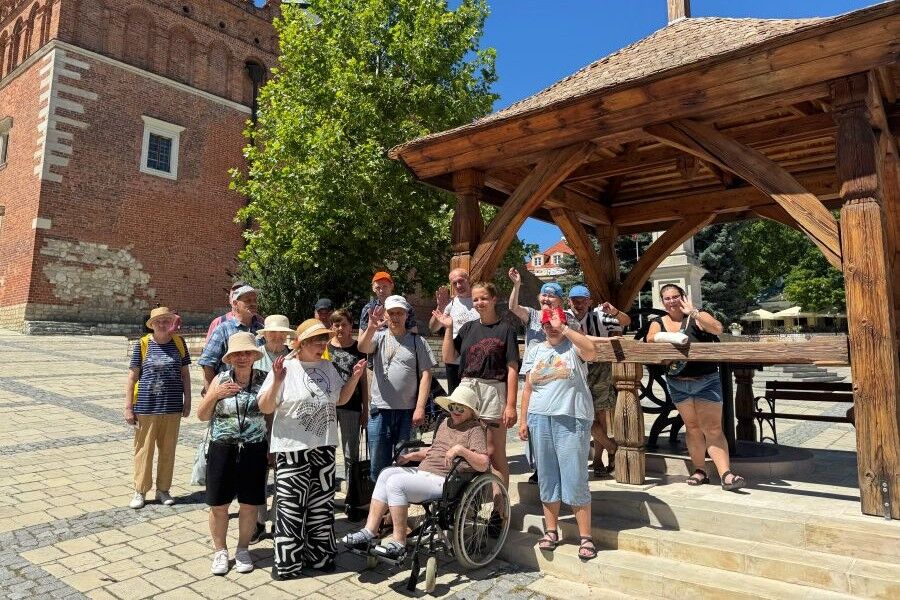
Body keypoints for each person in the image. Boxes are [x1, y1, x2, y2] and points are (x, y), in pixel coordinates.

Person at [258, 319, 366, 580]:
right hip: (292, 448)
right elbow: (265, 406)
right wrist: (276, 381)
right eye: (317, 341)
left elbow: (340, 399)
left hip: (324, 447)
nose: (322, 345)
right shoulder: (285, 367)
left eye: (324, 340)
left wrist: (354, 379)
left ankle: (320, 557)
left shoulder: (328, 367)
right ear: (302, 343)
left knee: (321, 506)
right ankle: (287, 563)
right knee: (291, 507)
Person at [340, 385, 489, 561]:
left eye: (460, 408)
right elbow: (434, 450)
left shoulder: (474, 430)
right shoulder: (444, 423)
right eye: (452, 406)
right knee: (386, 473)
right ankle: (369, 531)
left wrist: (461, 450)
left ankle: (399, 542)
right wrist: (411, 455)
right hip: (425, 472)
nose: (455, 411)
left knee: (396, 484)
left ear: (471, 411)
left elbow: (483, 463)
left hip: (447, 479)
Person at [646, 284, 747, 491]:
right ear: (662, 301)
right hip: (678, 382)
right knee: (692, 429)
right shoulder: (658, 322)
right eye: (667, 298)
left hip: (705, 380)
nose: (672, 301)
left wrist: (694, 312)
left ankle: (725, 474)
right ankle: (700, 470)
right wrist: (669, 338)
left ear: (683, 297)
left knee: (712, 428)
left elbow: (717, 328)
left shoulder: (696, 317)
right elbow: (650, 339)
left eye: (676, 296)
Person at [518, 307, 598, 561]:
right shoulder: (535, 350)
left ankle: (586, 536)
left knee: (574, 475)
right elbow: (528, 388)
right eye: (547, 323)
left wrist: (565, 328)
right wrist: (523, 420)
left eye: (556, 322)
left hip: (571, 417)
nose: (551, 327)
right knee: (547, 476)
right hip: (540, 419)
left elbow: (591, 351)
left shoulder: (573, 346)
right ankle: (551, 530)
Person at [432, 281, 518, 495]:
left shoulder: (505, 329)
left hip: (492, 390)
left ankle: (500, 509)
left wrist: (510, 405)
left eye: (484, 298)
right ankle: (472, 500)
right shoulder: (468, 328)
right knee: (466, 445)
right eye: (476, 299)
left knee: (494, 452)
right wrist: (448, 328)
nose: (479, 302)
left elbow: (512, 368)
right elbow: (449, 357)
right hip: (467, 389)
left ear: (494, 299)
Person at [197, 332, 269, 576]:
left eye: (247, 353)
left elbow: (271, 414)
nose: (242, 357)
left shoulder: (265, 379)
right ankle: (220, 551)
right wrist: (215, 395)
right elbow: (202, 415)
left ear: (254, 356)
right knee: (219, 504)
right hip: (222, 447)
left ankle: (242, 549)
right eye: (237, 353)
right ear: (230, 357)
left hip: (254, 448)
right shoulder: (220, 378)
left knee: (249, 503)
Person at [358, 295, 435, 481]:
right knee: (378, 466)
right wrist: (370, 327)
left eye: (399, 313)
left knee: (406, 464)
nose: (395, 317)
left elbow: (426, 374)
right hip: (380, 411)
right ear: (385, 314)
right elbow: (362, 347)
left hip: (407, 412)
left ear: (406, 314)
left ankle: (400, 507)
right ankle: (380, 508)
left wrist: (419, 407)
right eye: (391, 313)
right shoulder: (378, 337)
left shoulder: (418, 341)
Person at [124, 307, 191, 509]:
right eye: (158, 321)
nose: (162, 324)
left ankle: (163, 489)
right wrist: (128, 406)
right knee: (143, 450)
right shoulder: (142, 344)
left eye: (166, 321)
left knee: (168, 450)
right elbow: (132, 376)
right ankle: (140, 490)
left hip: (172, 406)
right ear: (152, 325)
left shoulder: (179, 343)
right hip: (146, 406)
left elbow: (185, 374)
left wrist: (187, 400)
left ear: (170, 323)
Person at [566, 284, 631, 476]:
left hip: (598, 367)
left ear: (589, 302)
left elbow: (626, 321)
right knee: (580, 412)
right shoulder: (565, 316)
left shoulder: (600, 315)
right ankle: (611, 447)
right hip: (575, 366)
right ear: (569, 301)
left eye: (583, 300)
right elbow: (579, 337)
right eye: (575, 300)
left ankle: (597, 461)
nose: (579, 304)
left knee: (600, 413)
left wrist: (616, 312)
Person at [250, 314, 295, 544]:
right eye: (273, 332)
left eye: (281, 332)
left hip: (285, 423)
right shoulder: (255, 357)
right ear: (265, 334)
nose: (277, 336)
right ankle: (258, 521)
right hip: (258, 422)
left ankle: (278, 520)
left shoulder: (294, 357)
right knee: (258, 473)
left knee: (283, 473)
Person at [328, 308, 369, 494]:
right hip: (329, 405)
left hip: (352, 406)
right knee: (327, 450)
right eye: (336, 324)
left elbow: (364, 382)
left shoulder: (358, 349)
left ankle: (353, 495)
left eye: (344, 324)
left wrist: (366, 410)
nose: (340, 328)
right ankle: (326, 491)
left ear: (351, 325)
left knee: (350, 452)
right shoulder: (326, 348)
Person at [199, 285, 263, 389]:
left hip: (257, 395)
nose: (253, 303)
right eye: (248, 300)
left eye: (255, 300)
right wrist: (211, 395)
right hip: (229, 395)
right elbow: (207, 364)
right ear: (235, 304)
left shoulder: (261, 330)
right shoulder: (223, 330)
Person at [428, 268, 479, 394]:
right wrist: (440, 307)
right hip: (454, 359)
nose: (458, 285)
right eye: (454, 283)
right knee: (456, 399)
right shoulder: (450, 304)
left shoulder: (479, 301)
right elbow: (433, 328)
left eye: (461, 281)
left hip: (477, 359)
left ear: (469, 280)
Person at [507, 268, 581, 350]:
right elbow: (513, 307)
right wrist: (517, 284)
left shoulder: (567, 317)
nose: (546, 298)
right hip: (533, 362)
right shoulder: (532, 314)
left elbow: (582, 337)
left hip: (558, 361)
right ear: (539, 298)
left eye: (551, 296)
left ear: (560, 301)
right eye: (544, 295)